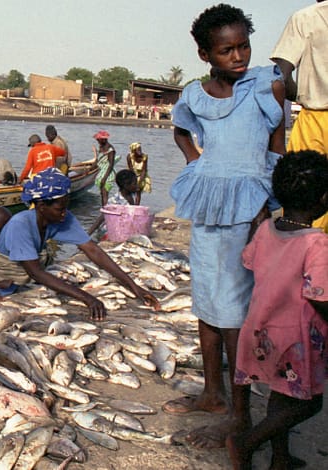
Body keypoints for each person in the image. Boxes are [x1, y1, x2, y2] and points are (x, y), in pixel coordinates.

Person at [162, 4, 286, 450]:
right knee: (206, 301)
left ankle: (241, 411)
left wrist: (266, 197)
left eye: (243, 46)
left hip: (248, 205)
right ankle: (213, 393)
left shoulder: (265, 86)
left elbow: (276, 143)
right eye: (226, 50)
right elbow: (181, 130)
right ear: (205, 55)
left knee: (234, 311)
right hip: (209, 203)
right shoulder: (195, 94)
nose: (238, 56)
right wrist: (199, 165)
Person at [226, 149, 328, 470]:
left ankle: (280, 458)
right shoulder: (317, 244)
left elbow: (248, 260)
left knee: (281, 395)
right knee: (308, 403)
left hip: (258, 330)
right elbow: (320, 297)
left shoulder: (267, 229)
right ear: (324, 199)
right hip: (295, 342)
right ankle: (247, 442)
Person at [0, 168, 159, 320]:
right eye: (60, 208)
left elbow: (93, 250)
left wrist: (134, 287)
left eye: (66, 206)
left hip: (13, 288)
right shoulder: (21, 225)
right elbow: (36, 273)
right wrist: (86, 298)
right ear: (42, 206)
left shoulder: (60, 219)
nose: (65, 213)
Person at [270, 0, 328, 232]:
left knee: (301, 195)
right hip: (313, 116)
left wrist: (301, 92)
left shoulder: (305, 17)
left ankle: (300, 259)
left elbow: (282, 72)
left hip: (314, 116)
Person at [87, 169, 141, 236]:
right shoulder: (115, 201)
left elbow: (135, 211)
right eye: (135, 183)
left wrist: (138, 194)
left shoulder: (129, 196)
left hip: (121, 227)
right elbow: (101, 218)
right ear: (126, 185)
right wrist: (87, 235)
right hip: (108, 231)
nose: (137, 185)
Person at [93, 130, 118, 206]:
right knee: (102, 193)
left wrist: (104, 178)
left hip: (107, 173)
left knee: (105, 193)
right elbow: (98, 160)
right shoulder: (101, 147)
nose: (97, 141)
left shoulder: (111, 150)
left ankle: (105, 211)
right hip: (101, 172)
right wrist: (90, 168)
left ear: (104, 139)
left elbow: (111, 165)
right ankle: (103, 209)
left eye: (98, 139)